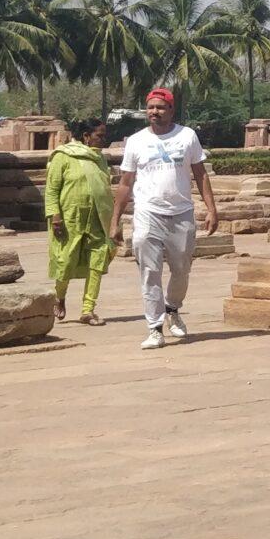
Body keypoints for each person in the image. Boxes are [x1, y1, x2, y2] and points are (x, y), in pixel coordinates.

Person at [114, 87, 219, 351]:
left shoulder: (187, 136)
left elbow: (201, 174)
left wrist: (211, 209)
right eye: (151, 107)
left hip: (181, 212)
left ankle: (172, 308)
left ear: (171, 110)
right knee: (150, 272)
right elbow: (126, 183)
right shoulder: (136, 141)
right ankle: (154, 328)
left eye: (161, 107)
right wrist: (114, 220)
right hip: (148, 212)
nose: (155, 112)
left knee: (181, 269)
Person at [44, 117, 115, 325]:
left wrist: (113, 222)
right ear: (86, 136)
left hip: (97, 219)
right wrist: (54, 215)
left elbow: (104, 188)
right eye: (99, 136)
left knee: (98, 261)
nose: (103, 140)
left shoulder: (99, 159)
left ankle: (88, 310)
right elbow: (52, 189)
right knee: (65, 261)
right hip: (69, 218)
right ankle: (59, 296)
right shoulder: (63, 156)